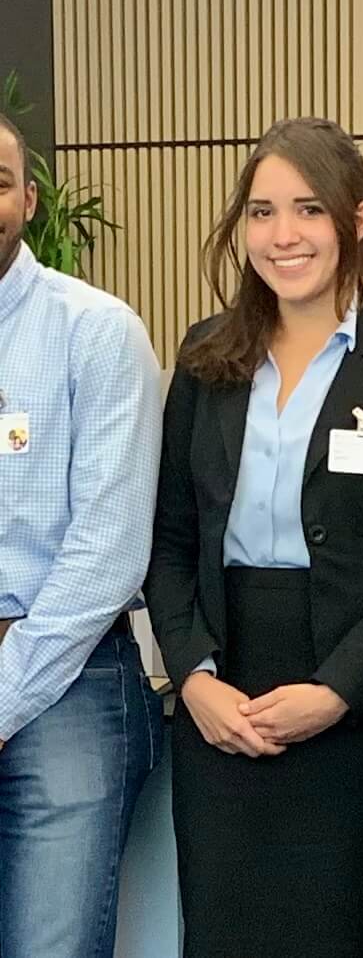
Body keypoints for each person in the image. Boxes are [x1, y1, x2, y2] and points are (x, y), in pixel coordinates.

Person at [144, 117, 363, 958]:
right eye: (261, 212)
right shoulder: (208, 355)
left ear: (356, 222)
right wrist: (195, 677)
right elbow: (171, 540)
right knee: (222, 931)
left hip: (357, 706)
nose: (282, 236)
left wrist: (338, 691)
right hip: (222, 694)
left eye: (307, 211)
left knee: (344, 932)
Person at [0, 114, 163, 958]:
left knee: (46, 946)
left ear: (29, 200)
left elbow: (108, 552)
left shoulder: (95, 331)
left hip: (68, 670)